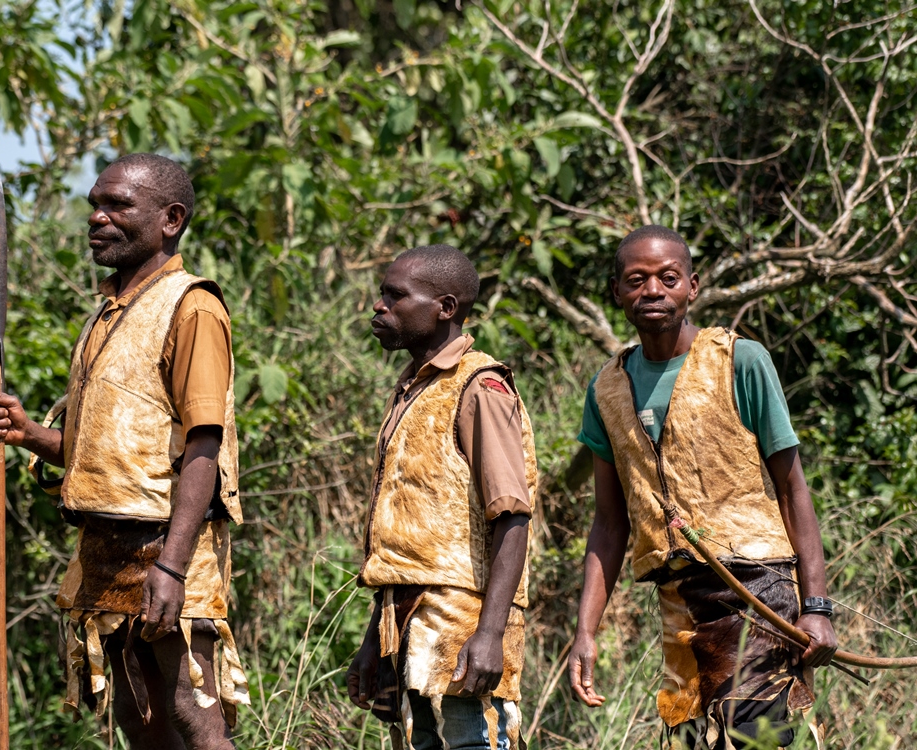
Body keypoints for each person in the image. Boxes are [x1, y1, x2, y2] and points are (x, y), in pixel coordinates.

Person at [0, 153, 248, 750]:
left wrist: (172, 566)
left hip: (167, 542)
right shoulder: (108, 312)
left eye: (118, 205)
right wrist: (27, 434)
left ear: (170, 219)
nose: (98, 218)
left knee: (192, 710)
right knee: (138, 713)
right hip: (104, 545)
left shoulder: (192, 305)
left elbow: (205, 442)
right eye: (94, 206)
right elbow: (102, 450)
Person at [567, 225, 838, 748]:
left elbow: (793, 489)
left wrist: (817, 607)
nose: (652, 291)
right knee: (691, 740)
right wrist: (586, 631)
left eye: (668, 278)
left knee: (756, 738)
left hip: (757, 590)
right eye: (636, 280)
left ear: (692, 287)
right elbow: (608, 521)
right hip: (679, 601)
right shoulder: (607, 387)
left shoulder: (740, 360)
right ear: (617, 292)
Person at [346, 245, 538, 750]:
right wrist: (373, 640)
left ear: (446, 308)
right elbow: (406, 542)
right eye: (381, 294)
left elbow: (513, 517)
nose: (379, 306)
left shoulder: (479, 386)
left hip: (461, 625)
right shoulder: (412, 388)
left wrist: (490, 634)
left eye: (396, 296)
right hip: (406, 621)